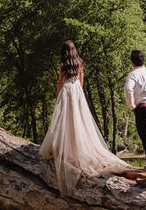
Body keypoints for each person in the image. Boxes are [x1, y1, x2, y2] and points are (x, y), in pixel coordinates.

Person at [40, 40, 130, 195]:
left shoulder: (63, 64)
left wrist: (58, 97)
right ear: (74, 50)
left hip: (66, 91)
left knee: (65, 122)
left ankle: (67, 151)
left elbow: (60, 82)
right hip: (76, 91)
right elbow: (81, 81)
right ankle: (77, 150)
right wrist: (79, 95)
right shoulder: (80, 63)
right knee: (79, 122)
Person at [124, 49, 146, 188]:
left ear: (131, 62)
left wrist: (132, 107)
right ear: (143, 61)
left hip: (144, 109)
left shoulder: (133, 74)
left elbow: (128, 90)